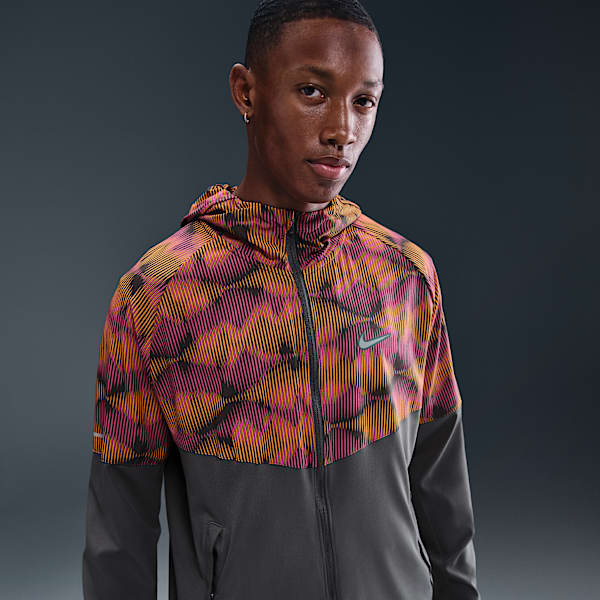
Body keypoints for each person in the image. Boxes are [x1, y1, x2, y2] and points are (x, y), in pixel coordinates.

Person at [81, 1, 481, 599]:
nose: (342, 129)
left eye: (364, 101)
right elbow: (120, 534)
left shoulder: (402, 273)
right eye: (313, 92)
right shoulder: (158, 295)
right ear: (247, 91)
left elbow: (442, 482)